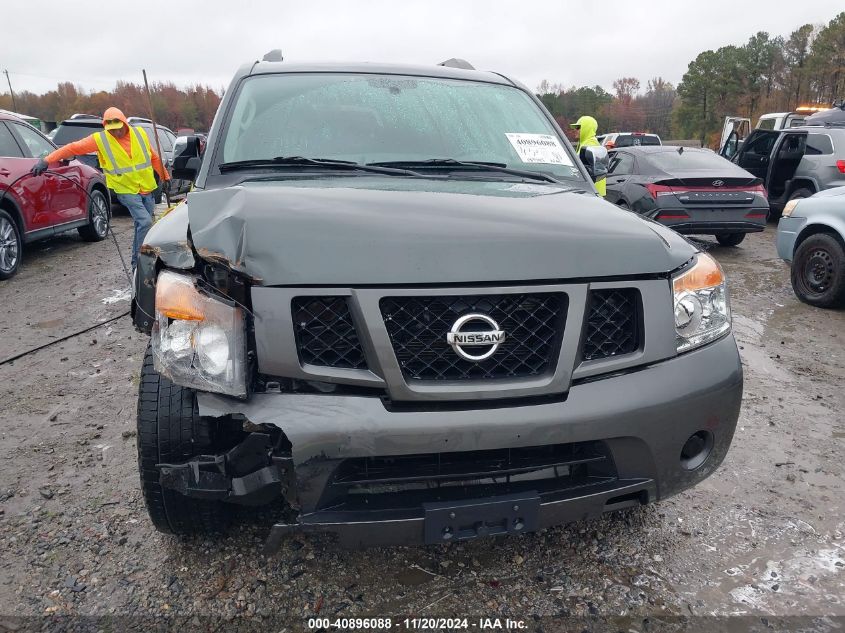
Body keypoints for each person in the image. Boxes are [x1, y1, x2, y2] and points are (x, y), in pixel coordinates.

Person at [32, 107, 170, 270]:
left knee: (145, 226)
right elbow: (72, 148)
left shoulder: (139, 134)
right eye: (111, 130)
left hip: (146, 187)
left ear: (124, 123)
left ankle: (136, 263)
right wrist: (46, 160)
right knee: (145, 222)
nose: (115, 133)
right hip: (125, 189)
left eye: (118, 129)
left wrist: (165, 176)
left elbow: (153, 157)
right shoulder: (100, 139)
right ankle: (141, 264)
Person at [570, 115, 606, 197]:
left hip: (592, 192)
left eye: (578, 128)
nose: (575, 130)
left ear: (587, 129)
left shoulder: (590, 144)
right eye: (575, 128)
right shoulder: (583, 143)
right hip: (589, 190)